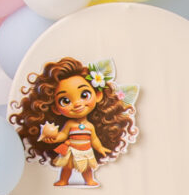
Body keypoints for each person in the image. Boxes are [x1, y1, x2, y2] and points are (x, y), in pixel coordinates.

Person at [10, 57, 137, 187]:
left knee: (87, 168)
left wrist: (100, 148)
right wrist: (53, 138)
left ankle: (89, 180)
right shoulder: (70, 124)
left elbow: (94, 139)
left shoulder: (89, 126)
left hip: (85, 151)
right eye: (65, 101)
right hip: (71, 151)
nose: (77, 104)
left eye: (84, 95)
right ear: (56, 109)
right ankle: (63, 180)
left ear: (98, 95)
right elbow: (63, 135)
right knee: (67, 167)